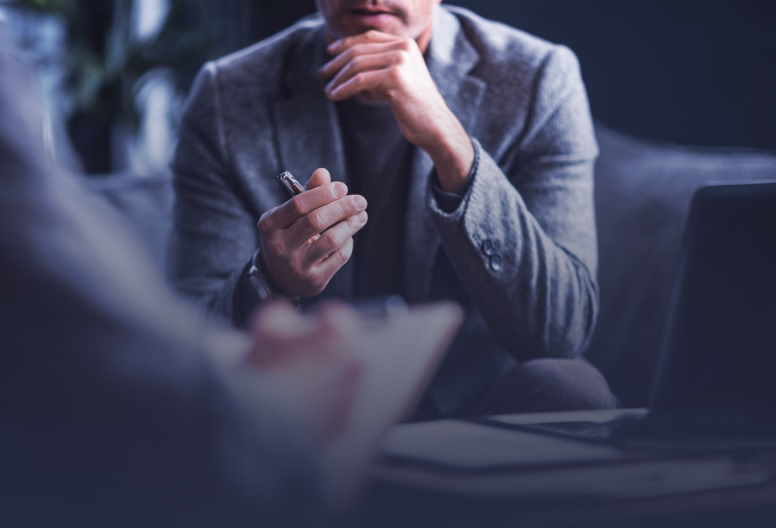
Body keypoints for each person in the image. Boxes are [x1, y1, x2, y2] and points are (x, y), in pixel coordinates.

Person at [169, 0, 617, 418]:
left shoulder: (538, 78)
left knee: (570, 386)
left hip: (478, 401)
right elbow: (189, 339)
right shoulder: (227, 95)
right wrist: (269, 282)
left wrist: (455, 150)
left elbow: (562, 332)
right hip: (298, 409)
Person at [0, 36, 364, 528]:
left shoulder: (505, 70)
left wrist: (453, 153)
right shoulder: (227, 94)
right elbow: (110, 338)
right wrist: (277, 402)